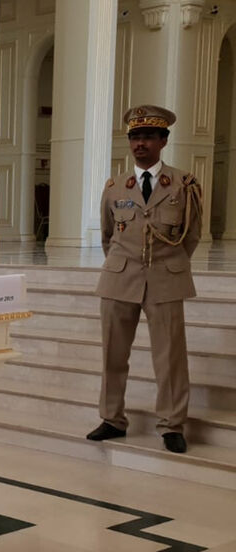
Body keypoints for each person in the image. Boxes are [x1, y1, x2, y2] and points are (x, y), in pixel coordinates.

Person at [85, 105, 202, 455]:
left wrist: (168, 265)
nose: (140, 143)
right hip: (120, 278)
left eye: (148, 136)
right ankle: (112, 419)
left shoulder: (183, 184)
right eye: (135, 137)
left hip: (166, 278)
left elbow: (192, 235)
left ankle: (171, 424)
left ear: (163, 140)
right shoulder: (114, 187)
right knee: (113, 354)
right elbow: (108, 236)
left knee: (170, 358)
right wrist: (124, 263)